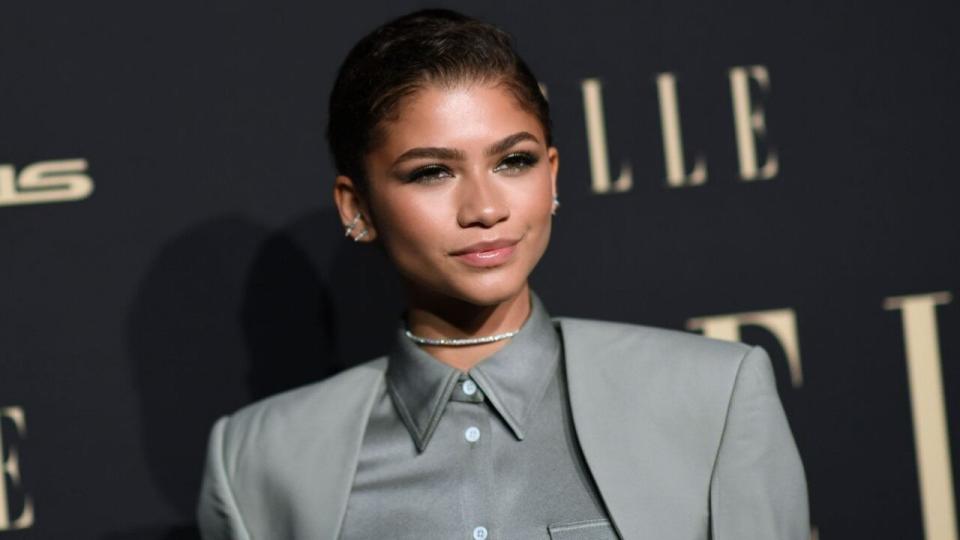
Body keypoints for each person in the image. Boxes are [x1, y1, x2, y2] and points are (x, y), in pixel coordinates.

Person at [197, 8, 808, 540]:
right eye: (432, 172)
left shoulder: (712, 396)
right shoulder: (258, 462)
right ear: (357, 208)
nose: (485, 209)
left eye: (513, 161)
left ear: (552, 173)